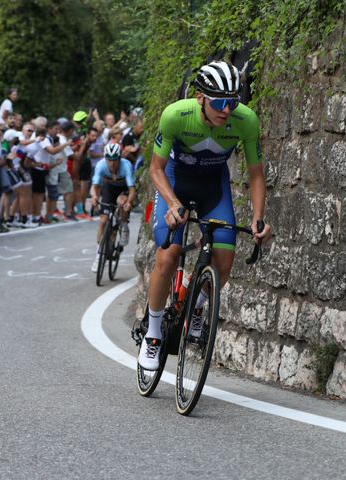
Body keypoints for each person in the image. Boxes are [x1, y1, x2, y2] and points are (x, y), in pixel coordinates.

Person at [137, 61, 271, 370]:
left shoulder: (246, 121)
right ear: (200, 97)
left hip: (214, 187)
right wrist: (172, 204)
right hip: (175, 182)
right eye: (220, 102)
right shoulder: (175, 115)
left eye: (233, 102)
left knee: (224, 260)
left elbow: (256, 176)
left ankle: (196, 304)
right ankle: (154, 333)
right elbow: (156, 169)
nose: (227, 110)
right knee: (168, 255)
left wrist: (258, 219)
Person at [90, 143, 136, 273]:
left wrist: (129, 202)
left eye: (114, 159)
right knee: (103, 221)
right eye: (109, 159)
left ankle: (124, 225)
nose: (111, 163)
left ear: (119, 158)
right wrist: (94, 197)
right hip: (109, 189)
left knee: (122, 201)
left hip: (123, 189)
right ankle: (99, 255)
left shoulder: (126, 166)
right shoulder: (100, 165)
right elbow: (95, 186)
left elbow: (132, 190)